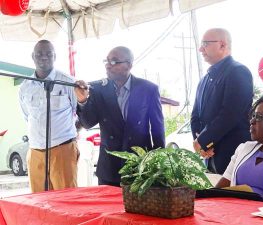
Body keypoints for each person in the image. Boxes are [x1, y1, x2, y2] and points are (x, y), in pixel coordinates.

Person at [75, 46, 165, 187]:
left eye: (114, 62)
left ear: (129, 64)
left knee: (140, 208)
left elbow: (157, 129)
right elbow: (87, 123)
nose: (108, 66)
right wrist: (82, 101)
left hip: (139, 165)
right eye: (107, 61)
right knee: (108, 208)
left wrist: (158, 160)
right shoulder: (98, 89)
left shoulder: (148, 89)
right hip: (109, 167)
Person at [19, 40, 79, 193]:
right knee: (39, 202)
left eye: (48, 54)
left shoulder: (68, 82)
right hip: (35, 151)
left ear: (55, 56)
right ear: (33, 56)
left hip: (62, 149)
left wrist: (71, 136)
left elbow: (80, 112)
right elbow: (27, 116)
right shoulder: (25, 86)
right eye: (39, 54)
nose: (43, 57)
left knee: (66, 200)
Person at [191, 28, 253, 174]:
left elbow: (230, 114)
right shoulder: (204, 80)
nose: (200, 49)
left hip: (232, 155)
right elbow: (195, 116)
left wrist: (204, 141)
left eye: (205, 44)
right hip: (209, 157)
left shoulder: (238, 71)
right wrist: (200, 143)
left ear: (222, 45)